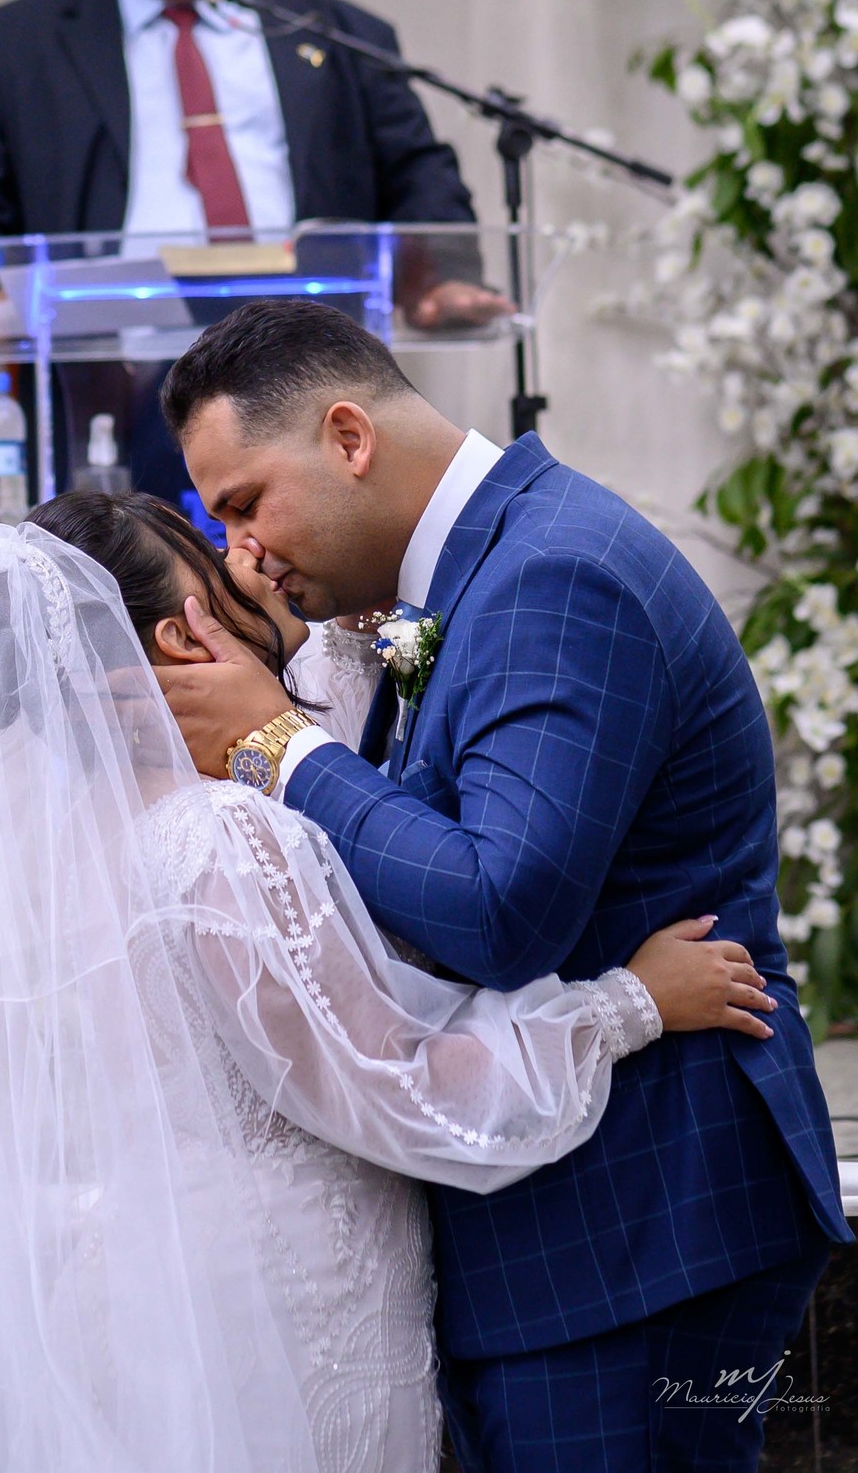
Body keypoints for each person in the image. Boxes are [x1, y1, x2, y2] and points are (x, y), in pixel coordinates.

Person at [0, 508, 772, 1473]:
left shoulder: (61, 847)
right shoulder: (220, 840)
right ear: (183, 635)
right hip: (285, 1311)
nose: (246, 559)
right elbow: (393, 1082)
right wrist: (630, 1004)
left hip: (148, 1287)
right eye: (214, 557)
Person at [151, 298, 850, 1473]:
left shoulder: (550, 576)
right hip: (566, 1226)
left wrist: (281, 746)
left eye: (246, 501)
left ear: (348, 436)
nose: (243, 550)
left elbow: (499, 912)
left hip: (632, 1229)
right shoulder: (469, 575)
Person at [0, 0, 509, 503]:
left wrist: (441, 275)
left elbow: (419, 171)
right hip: (108, 383)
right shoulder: (19, 43)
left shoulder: (334, 33)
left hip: (309, 376)